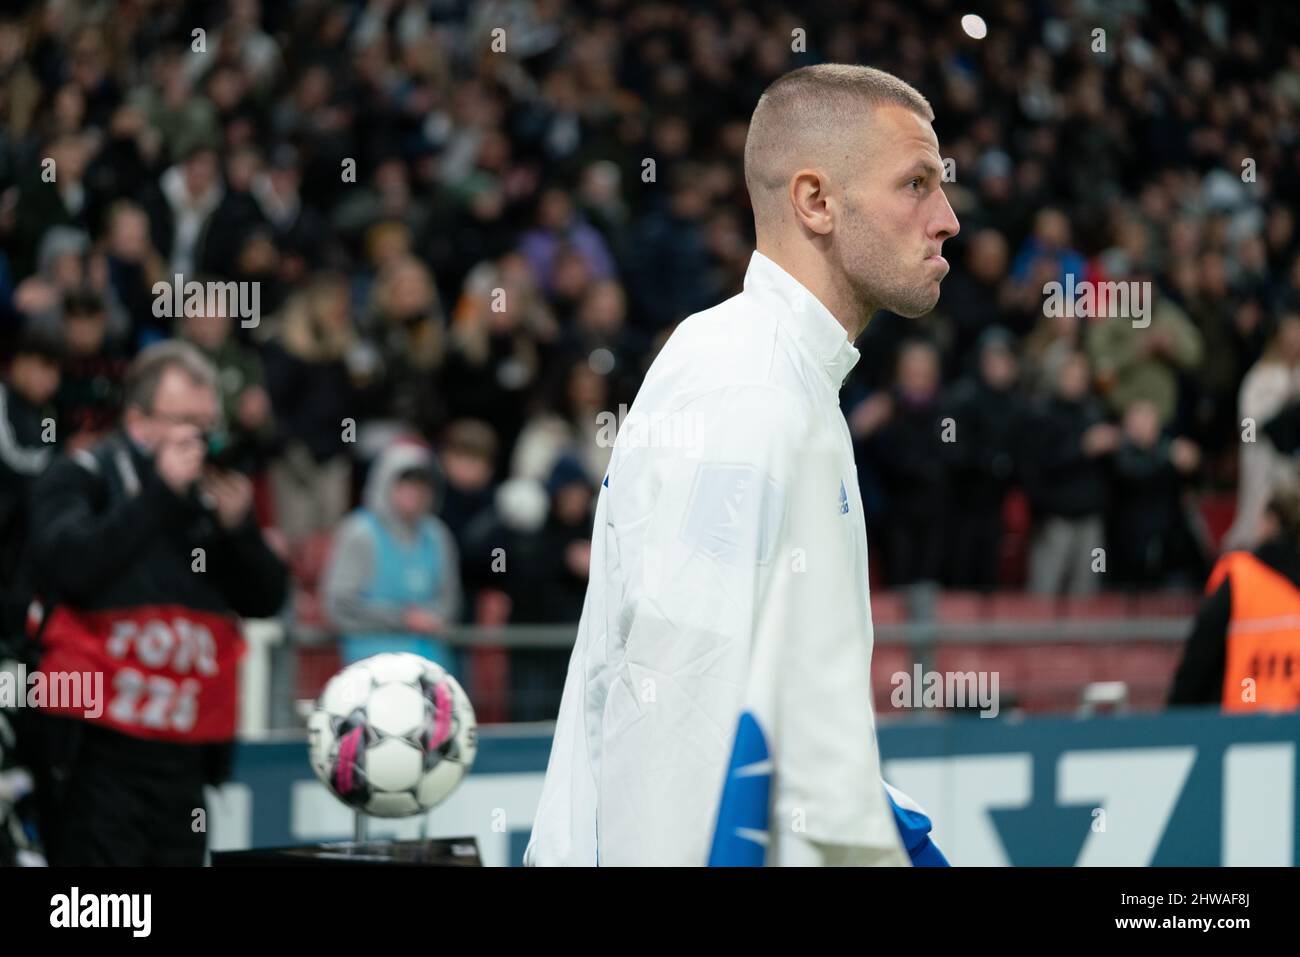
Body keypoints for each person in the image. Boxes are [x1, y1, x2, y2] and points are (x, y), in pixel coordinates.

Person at [526, 65, 959, 867]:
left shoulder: (781, 376)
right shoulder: (745, 386)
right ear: (816, 201)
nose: (948, 219)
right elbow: (681, 722)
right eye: (917, 183)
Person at [27, 341, 289, 865]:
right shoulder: (83, 475)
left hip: (184, 751)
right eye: (186, 422)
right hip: (94, 750)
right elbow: (70, 567)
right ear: (139, 421)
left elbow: (265, 598)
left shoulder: (208, 499)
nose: (204, 439)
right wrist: (159, 497)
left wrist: (239, 532)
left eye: (210, 423)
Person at [321, 440, 462, 673]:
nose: (413, 492)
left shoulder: (438, 536)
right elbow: (339, 606)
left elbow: (449, 601)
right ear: (384, 482)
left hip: (430, 667)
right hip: (371, 668)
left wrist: (431, 620)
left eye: (421, 484)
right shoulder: (359, 532)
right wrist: (403, 619)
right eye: (404, 482)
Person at [1170, 487, 1300, 711]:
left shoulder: (1240, 579)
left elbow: (1197, 665)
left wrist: (1172, 722)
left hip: (1240, 731)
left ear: (1271, 522)